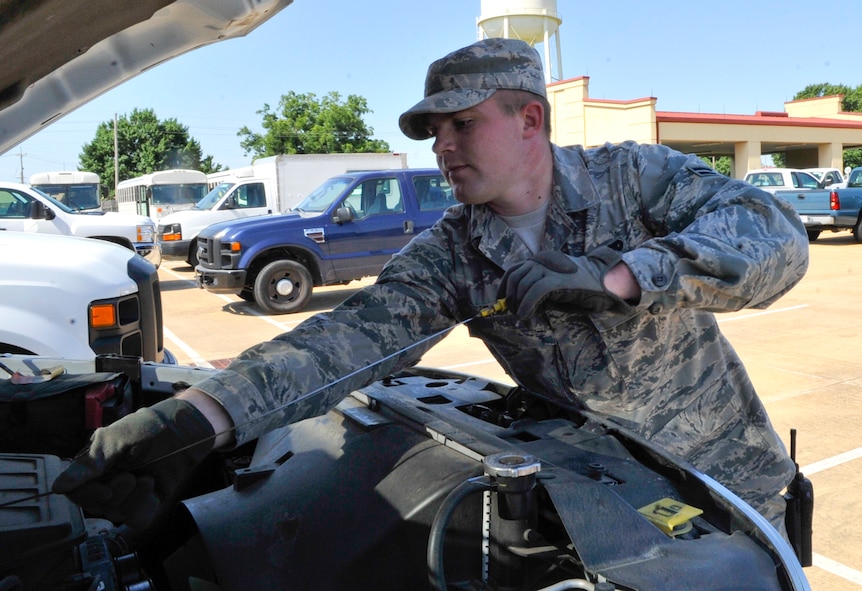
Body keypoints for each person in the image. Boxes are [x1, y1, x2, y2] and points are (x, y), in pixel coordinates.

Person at [52, 38, 809, 535]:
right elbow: (340, 344)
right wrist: (195, 419)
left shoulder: (631, 179)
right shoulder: (453, 254)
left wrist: (617, 276)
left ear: (530, 120)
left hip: (733, 493)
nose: (441, 146)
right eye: (432, 132)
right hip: (615, 510)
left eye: (461, 124)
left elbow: (774, 236)